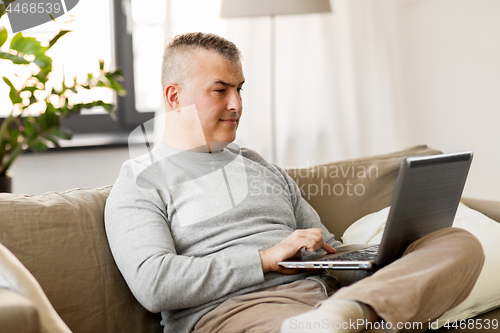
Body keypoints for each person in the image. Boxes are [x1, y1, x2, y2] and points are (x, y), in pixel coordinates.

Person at [104, 32, 484, 333]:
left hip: (329, 303)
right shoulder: (141, 180)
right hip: (238, 315)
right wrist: (264, 260)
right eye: (221, 90)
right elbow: (154, 284)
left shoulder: (260, 166)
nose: (237, 104)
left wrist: (385, 257)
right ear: (175, 97)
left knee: (456, 242)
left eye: (240, 89)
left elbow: (328, 251)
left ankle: (351, 315)